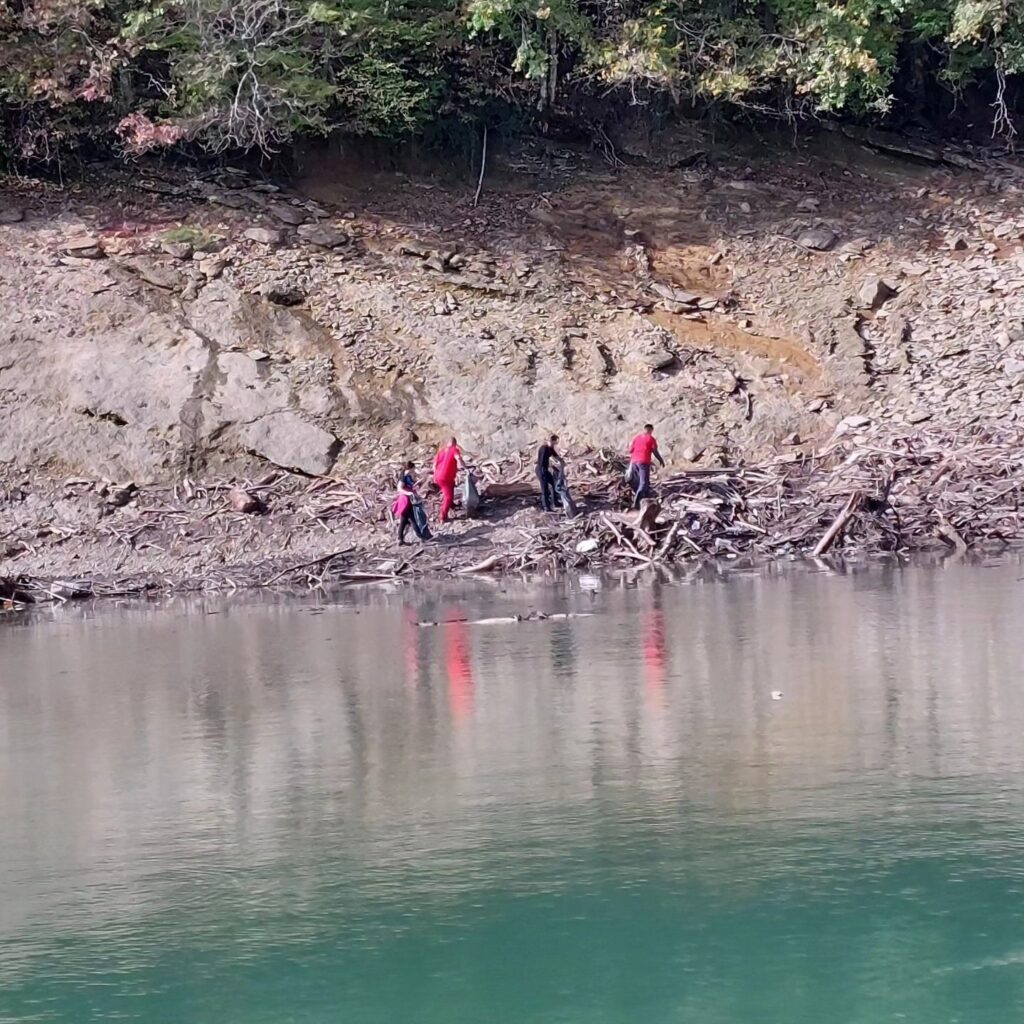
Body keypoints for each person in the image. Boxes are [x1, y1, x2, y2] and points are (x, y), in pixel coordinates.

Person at [627, 423, 665, 508]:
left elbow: (630, 450)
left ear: (644, 429)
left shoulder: (636, 438)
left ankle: (647, 498)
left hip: (634, 462)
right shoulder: (651, 439)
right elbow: (655, 451)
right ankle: (637, 502)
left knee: (643, 482)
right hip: (643, 462)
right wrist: (661, 460)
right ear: (651, 430)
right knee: (643, 483)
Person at [394, 462, 429, 544]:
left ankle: (400, 538)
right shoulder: (403, 477)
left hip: (410, 499)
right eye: (413, 468)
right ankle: (421, 536)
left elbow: (410, 485)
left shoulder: (408, 476)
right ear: (410, 468)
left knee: (404, 519)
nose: (414, 470)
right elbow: (399, 488)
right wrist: (409, 493)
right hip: (405, 500)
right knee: (413, 518)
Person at [433, 436, 463, 524]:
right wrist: (463, 466)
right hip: (445, 477)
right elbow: (458, 458)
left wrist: (435, 475)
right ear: (455, 443)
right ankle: (443, 516)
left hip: (440, 476)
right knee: (448, 496)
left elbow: (434, 465)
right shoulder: (454, 450)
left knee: (451, 486)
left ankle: (451, 505)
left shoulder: (441, 452)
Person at [536, 434, 563, 512]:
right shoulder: (543, 449)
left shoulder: (550, 448)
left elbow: (556, 456)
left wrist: (562, 462)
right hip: (541, 470)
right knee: (545, 489)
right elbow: (541, 462)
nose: (554, 444)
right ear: (550, 441)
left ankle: (555, 502)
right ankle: (546, 507)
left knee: (554, 484)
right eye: (553, 442)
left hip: (545, 470)